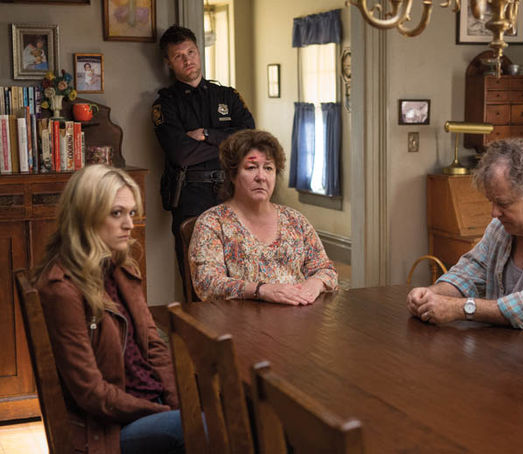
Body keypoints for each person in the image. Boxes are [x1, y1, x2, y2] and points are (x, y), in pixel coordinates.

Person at [33, 165, 184, 454]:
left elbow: (155, 347)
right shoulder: (61, 289)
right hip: (107, 428)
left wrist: (180, 405)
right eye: (116, 213)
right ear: (85, 215)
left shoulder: (120, 267)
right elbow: (91, 393)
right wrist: (164, 413)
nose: (129, 224)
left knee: (230, 412)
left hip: (150, 406)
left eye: (131, 212)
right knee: (209, 428)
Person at [407, 138, 523, 343]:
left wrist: (462, 308)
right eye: (491, 202)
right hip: (508, 353)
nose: (494, 213)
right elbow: (471, 271)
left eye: (503, 203)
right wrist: (430, 296)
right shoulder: (502, 227)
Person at [152, 24, 255, 282]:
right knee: (197, 275)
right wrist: (227, 142)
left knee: (239, 270)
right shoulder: (165, 104)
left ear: (199, 52)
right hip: (191, 194)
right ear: (169, 62)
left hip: (231, 191)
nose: (187, 60)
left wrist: (207, 135)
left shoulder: (227, 96)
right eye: (179, 56)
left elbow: (249, 139)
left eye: (191, 52)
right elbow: (181, 154)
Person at [190, 129, 338, 305]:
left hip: (299, 314)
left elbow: (326, 269)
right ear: (232, 175)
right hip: (240, 318)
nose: (261, 177)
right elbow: (207, 284)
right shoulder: (212, 222)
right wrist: (261, 290)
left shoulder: (295, 220)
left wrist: (315, 283)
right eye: (251, 167)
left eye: (268, 168)